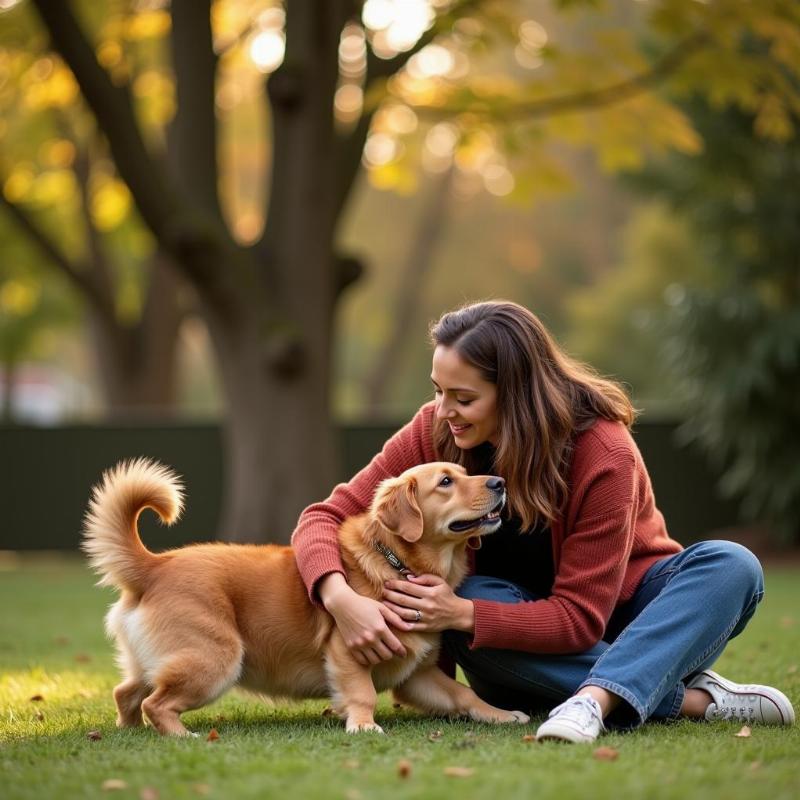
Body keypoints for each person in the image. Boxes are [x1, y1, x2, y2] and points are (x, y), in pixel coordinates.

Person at [291, 300, 795, 742]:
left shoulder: (603, 450)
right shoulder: (435, 431)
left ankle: (592, 700)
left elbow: (580, 617)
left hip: (624, 619)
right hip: (519, 643)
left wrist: (461, 616)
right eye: (439, 391)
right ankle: (688, 701)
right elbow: (323, 516)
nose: (444, 410)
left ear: (515, 392)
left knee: (733, 564)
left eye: (464, 398)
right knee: (476, 597)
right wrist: (341, 598)